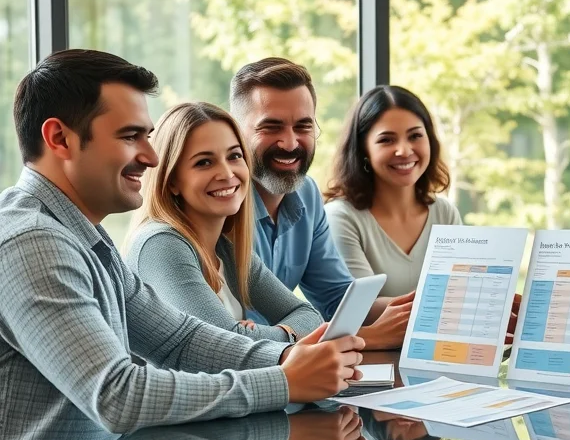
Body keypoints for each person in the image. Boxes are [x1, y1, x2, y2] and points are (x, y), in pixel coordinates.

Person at [0, 49, 366, 440]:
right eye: (131, 137)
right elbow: (118, 395)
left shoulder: (83, 238)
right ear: (59, 139)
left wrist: (286, 359)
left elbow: (179, 340)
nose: (150, 156)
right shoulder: (32, 243)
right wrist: (283, 378)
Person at [229, 57, 411, 350]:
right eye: (271, 127)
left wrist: (421, 308)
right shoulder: (221, 203)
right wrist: (374, 337)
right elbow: (229, 335)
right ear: (235, 132)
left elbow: (336, 298)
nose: (290, 143)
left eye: (303, 126)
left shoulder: (307, 193)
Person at [126, 102, 323, 342]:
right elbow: (223, 344)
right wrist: (267, 336)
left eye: (234, 156)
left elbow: (308, 315)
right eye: (204, 162)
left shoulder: (226, 248)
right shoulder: (160, 245)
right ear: (171, 181)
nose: (228, 174)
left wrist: (274, 334)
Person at [324, 85, 461, 298]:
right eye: (386, 140)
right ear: (363, 150)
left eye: (415, 136)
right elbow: (364, 306)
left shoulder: (445, 213)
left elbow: (459, 294)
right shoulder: (341, 217)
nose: (404, 151)